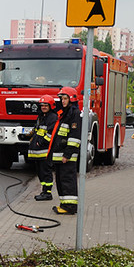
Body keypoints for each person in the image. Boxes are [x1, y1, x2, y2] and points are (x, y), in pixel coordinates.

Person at [51, 87, 81, 215]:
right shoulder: (65, 113)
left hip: (67, 156)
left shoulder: (74, 113)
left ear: (71, 99)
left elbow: (74, 136)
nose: (63, 101)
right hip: (61, 156)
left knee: (67, 180)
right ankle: (64, 204)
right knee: (61, 181)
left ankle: (70, 207)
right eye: (61, 99)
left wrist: (67, 154)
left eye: (65, 99)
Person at [22, 95, 59, 201]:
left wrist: (41, 142)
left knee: (45, 172)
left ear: (50, 106)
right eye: (42, 105)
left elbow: (51, 134)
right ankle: (44, 191)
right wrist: (30, 135)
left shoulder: (52, 117)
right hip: (39, 151)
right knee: (40, 172)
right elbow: (38, 129)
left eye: (45, 105)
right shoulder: (42, 116)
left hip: (45, 151)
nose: (43, 107)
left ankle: (47, 193)